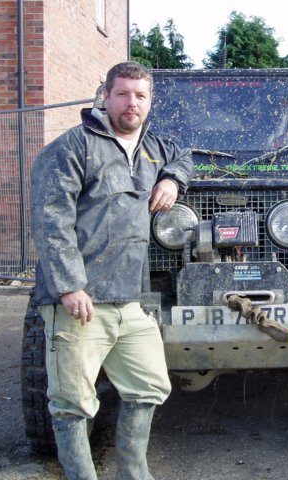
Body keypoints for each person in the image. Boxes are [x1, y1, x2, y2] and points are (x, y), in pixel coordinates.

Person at [30, 61, 194, 479]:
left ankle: (133, 474)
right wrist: (69, 286)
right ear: (105, 97)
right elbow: (51, 221)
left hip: (129, 300)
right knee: (72, 403)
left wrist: (172, 180)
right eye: (122, 94)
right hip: (79, 302)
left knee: (149, 386)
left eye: (140, 95)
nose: (131, 102)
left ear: (150, 101)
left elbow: (183, 156)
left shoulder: (153, 147)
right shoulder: (73, 147)